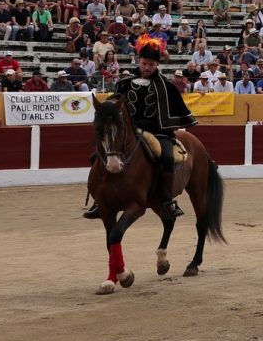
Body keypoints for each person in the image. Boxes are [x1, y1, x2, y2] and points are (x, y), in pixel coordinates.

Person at [84, 35, 197, 220]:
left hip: (157, 132)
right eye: (144, 63)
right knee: (97, 155)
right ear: (139, 61)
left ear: (156, 65)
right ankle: (100, 199)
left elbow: (176, 111)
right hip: (129, 131)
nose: (147, 68)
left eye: (151, 65)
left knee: (167, 157)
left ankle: (167, 200)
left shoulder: (166, 86)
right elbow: (114, 104)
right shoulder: (125, 83)